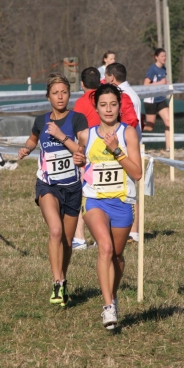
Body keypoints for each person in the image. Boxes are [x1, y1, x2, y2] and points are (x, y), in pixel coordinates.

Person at [73, 84, 142, 329]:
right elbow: (80, 157)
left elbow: (137, 173)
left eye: (113, 104)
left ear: (119, 105)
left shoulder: (128, 133)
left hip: (122, 203)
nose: (108, 109)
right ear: (96, 107)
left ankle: (113, 296)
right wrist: (79, 159)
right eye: (103, 105)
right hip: (94, 201)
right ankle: (108, 307)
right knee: (104, 247)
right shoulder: (87, 134)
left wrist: (116, 150)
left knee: (117, 256)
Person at [18, 73, 88, 307]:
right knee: (55, 231)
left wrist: (61, 136)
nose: (60, 96)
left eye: (64, 92)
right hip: (47, 185)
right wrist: (26, 149)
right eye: (56, 93)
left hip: (72, 187)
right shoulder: (41, 120)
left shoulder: (78, 119)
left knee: (67, 241)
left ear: (69, 94)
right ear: (48, 96)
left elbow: (81, 150)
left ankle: (64, 278)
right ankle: (56, 282)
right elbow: (32, 139)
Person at [105, 62, 142, 243]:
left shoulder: (123, 95)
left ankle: (132, 231)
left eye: (105, 77)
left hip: (126, 147)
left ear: (112, 77)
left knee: (129, 189)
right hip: (128, 145)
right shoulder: (130, 92)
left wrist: (118, 142)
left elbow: (131, 122)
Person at [72, 67, 101, 250]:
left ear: (81, 84)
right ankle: (101, 236)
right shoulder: (107, 99)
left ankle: (80, 239)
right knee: (104, 195)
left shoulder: (80, 104)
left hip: (88, 154)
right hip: (108, 151)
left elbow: (77, 131)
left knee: (83, 195)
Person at [143, 48, 170, 151]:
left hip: (161, 99)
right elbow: (145, 85)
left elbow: (163, 81)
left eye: (165, 56)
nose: (164, 58)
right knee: (150, 127)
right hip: (151, 100)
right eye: (162, 56)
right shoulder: (152, 69)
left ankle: (169, 147)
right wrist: (160, 84)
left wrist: (168, 85)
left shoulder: (163, 68)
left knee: (168, 121)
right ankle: (135, 129)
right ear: (156, 57)